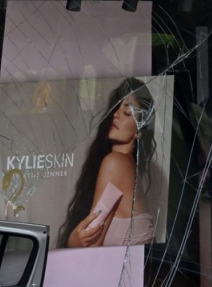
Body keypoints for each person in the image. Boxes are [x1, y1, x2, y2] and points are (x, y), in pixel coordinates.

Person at [57, 77, 156, 248]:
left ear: (140, 129)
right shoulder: (128, 167)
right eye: (116, 108)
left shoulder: (116, 163)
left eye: (127, 112)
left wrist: (73, 242)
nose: (116, 114)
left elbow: (89, 245)